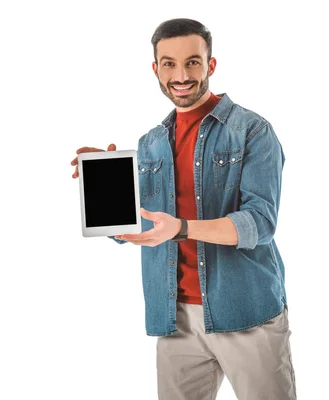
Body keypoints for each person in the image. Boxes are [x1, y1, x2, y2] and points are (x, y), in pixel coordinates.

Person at [70, 18, 296, 399]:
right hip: (174, 319)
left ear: (210, 65)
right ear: (155, 69)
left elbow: (259, 224)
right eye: (169, 63)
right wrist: (103, 188)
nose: (181, 75)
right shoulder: (150, 144)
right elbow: (135, 230)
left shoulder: (252, 130)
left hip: (246, 313)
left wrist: (182, 228)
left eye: (192, 62)